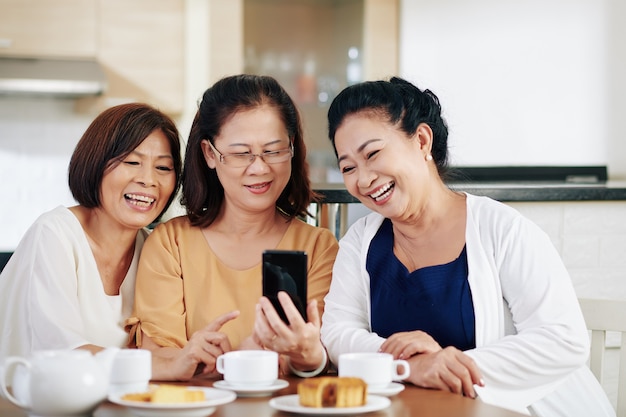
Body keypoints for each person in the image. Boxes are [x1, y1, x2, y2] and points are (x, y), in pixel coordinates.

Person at [320, 77, 615, 417]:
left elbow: (564, 339)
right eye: (348, 167)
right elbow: (338, 333)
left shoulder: (500, 229)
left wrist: (448, 364)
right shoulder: (360, 242)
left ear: (421, 140)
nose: (364, 178)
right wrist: (411, 367)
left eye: (373, 153)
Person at [126, 74, 339, 381]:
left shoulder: (319, 247)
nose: (260, 168)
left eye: (274, 150)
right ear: (210, 154)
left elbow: (316, 353)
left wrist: (303, 354)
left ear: (292, 147)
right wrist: (190, 355)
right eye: (241, 153)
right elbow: (157, 354)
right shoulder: (171, 243)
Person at [0, 103, 182, 360]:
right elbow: (61, 354)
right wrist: (156, 366)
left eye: (163, 168)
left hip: (111, 400)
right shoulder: (54, 234)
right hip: (24, 398)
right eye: (132, 161)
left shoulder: (156, 250)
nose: (148, 180)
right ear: (95, 163)